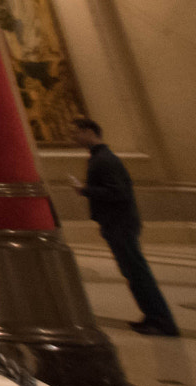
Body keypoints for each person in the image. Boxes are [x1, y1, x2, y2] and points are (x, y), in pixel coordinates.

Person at [71, 118, 180, 336]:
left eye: (76, 132)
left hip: (121, 224)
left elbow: (118, 193)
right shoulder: (99, 158)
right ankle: (151, 317)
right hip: (116, 224)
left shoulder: (105, 160)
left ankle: (162, 321)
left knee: (138, 273)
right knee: (133, 273)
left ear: (89, 131)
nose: (74, 137)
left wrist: (85, 190)